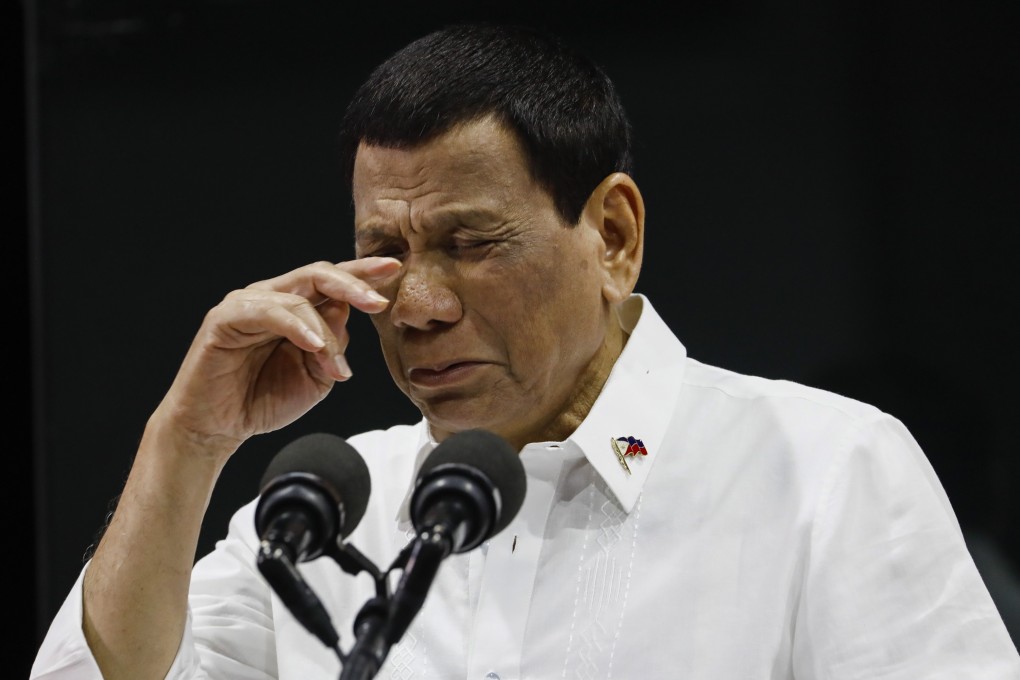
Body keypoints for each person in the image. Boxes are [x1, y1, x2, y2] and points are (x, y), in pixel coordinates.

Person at [30, 21, 1020, 680]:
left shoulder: (823, 466)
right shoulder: (329, 507)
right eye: (385, 252)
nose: (415, 304)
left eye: (470, 243)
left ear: (615, 237)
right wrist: (186, 438)